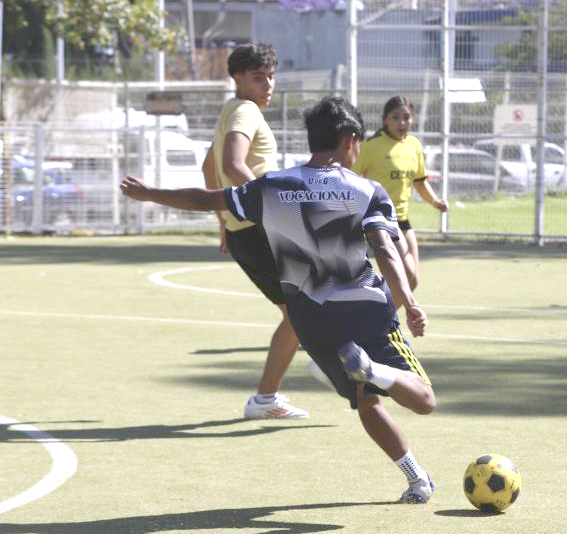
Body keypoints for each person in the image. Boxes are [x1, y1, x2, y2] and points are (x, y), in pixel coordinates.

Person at [121, 96, 438, 504]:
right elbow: (387, 250)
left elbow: (205, 198)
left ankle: (417, 479)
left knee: (366, 401)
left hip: (312, 320)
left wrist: (151, 194)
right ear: (349, 141)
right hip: (366, 311)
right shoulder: (366, 190)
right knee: (424, 400)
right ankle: (376, 370)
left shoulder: (272, 187)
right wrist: (409, 302)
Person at [200, 42, 307, 420]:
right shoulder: (245, 111)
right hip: (258, 228)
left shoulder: (231, 111)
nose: (268, 84)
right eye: (259, 77)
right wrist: (266, 209)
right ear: (237, 78)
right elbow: (232, 162)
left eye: (271, 76)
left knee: (301, 310)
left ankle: (276, 392)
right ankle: (267, 397)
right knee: (302, 310)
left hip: (244, 228)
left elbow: (208, 168)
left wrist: (224, 222)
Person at [352, 96, 448, 291]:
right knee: (406, 276)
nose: (402, 122)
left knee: (411, 281)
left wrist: (436, 202)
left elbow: (420, 182)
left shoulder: (414, 145)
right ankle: (380, 319)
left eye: (406, 117)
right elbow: (350, 179)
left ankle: (381, 320)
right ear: (385, 119)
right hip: (380, 221)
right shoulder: (371, 147)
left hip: (403, 221)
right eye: (395, 117)